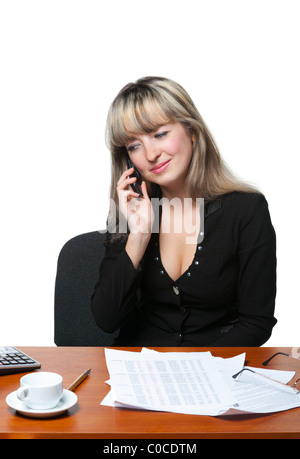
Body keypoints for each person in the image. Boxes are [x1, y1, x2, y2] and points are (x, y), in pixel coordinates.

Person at [91, 76, 277, 346]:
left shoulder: (247, 210)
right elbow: (106, 320)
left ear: (191, 130)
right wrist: (138, 235)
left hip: (215, 369)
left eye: (159, 134)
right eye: (134, 145)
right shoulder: (130, 213)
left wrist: (198, 370)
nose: (150, 154)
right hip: (140, 370)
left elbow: (256, 323)